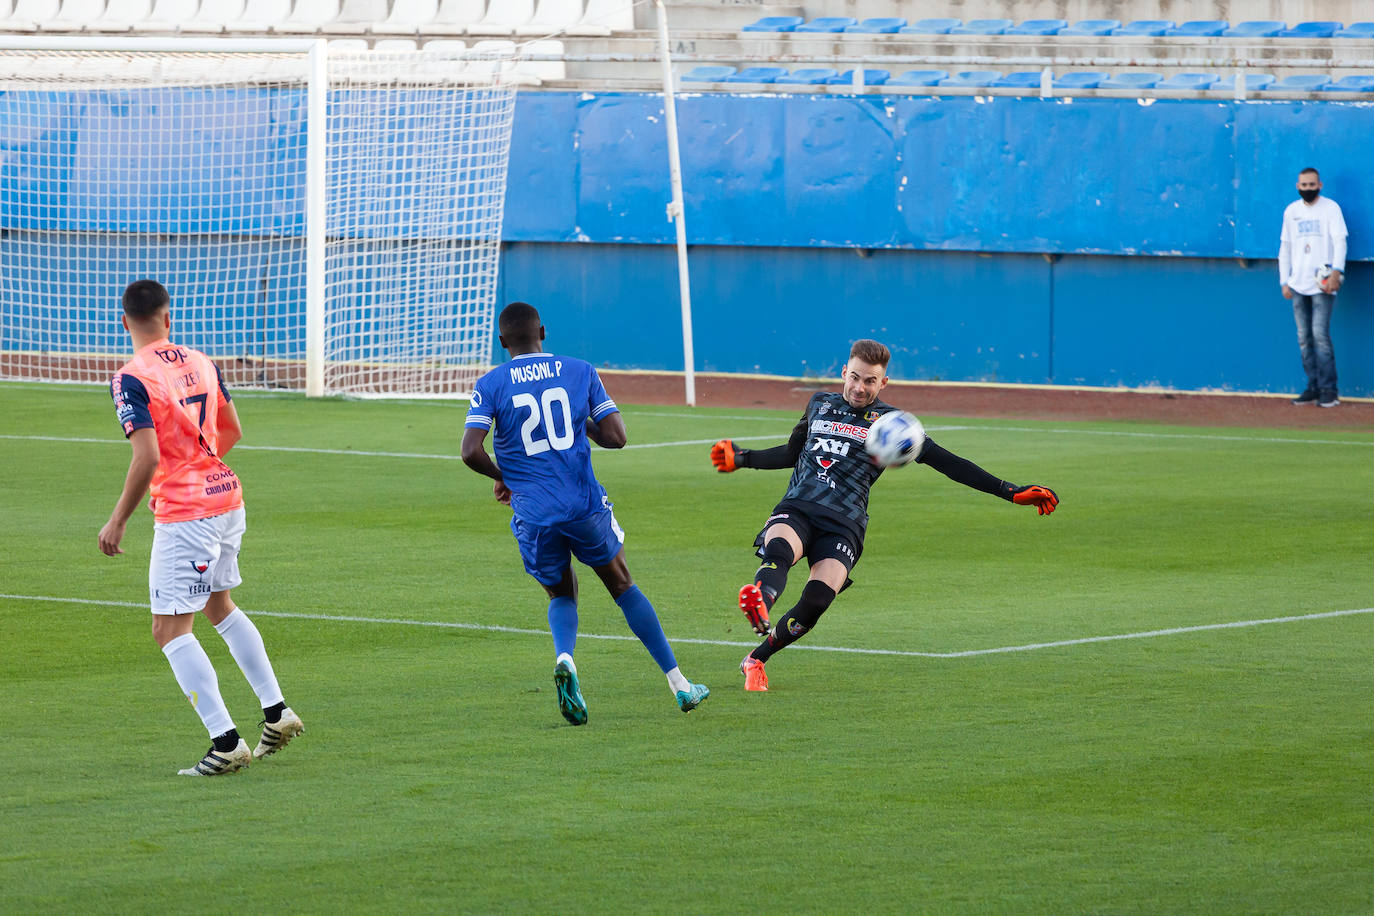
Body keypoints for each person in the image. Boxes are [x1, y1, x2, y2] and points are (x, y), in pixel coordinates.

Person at [710, 339, 1059, 692]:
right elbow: (791, 453)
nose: (860, 388)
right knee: (780, 551)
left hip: (844, 523)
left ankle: (756, 659)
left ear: (883, 383)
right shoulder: (819, 404)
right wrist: (743, 458)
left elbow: (950, 463)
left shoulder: (895, 425)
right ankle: (761, 603)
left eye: (870, 381)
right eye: (855, 378)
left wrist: (1010, 491)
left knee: (816, 601)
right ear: (844, 373)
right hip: (799, 505)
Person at [461, 302, 709, 725]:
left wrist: (505, 476)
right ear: (544, 330)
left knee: (561, 592)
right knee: (623, 586)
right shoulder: (580, 370)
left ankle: (566, 660)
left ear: (503, 342)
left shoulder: (491, 383)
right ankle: (680, 684)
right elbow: (617, 438)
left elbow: (470, 450)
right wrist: (582, 422)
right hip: (583, 504)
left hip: (534, 512)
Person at [98, 279, 303, 776]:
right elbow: (231, 429)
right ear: (168, 318)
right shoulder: (201, 360)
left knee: (169, 629)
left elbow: (147, 456)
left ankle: (226, 741)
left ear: (125, 322)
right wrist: (200, 470)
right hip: (227, 499)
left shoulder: (131, 376)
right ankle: (277, 713)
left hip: (186, 515)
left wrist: (118, 519)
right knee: (219, 604)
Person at [1279, 167, 1348, 408]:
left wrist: (1337, 271)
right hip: (1297, 285)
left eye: (1312, 185)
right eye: (1304, 185)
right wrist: (1284, 280)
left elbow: (1340, 240)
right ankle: (1313, 387)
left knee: (1320, 335)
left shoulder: (1331, 208)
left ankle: (1330, 391)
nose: (1308, 189)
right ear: (1297, 186)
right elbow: (1285, 247)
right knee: (1303, 338)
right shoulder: (1291, 211)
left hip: (1323, 285)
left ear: (1320, 185)